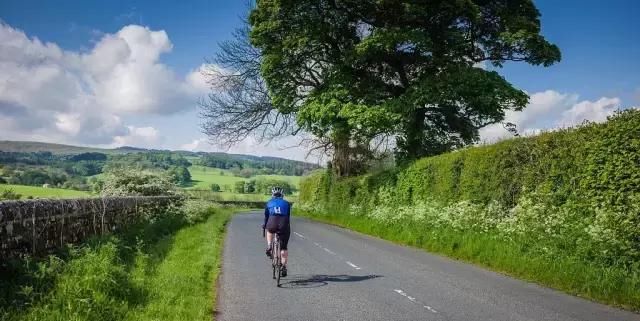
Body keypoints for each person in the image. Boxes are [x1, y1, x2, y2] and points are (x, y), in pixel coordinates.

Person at [263, 186, 291, 277]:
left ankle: (269, 246)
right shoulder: (287, 204)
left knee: (270, 230)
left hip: (272, 222)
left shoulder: (269, 203)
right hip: (283, 224)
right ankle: (283, 266)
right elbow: (288, 217)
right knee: (283, 248)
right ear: (282, 195)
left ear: (273, 195)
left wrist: (264, 225)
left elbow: (266, 217)